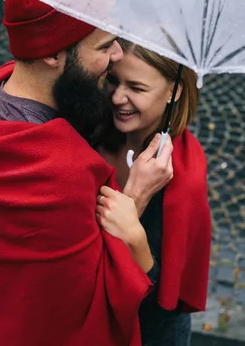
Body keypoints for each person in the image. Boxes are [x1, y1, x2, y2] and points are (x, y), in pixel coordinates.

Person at [0, 0, 174, 346]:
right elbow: (89, 308)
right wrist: (136, 197)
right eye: (103, 46)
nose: (117, 55)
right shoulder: (57, 173)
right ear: (51, 53)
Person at [95, 40, 212, 345]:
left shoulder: (183, 178)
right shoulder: (92, 132)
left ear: (174, 91)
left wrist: (134, 210)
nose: (118, 97)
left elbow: (161, 299)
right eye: (113, 80)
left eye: (136, 87)